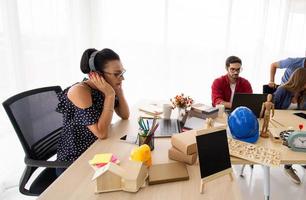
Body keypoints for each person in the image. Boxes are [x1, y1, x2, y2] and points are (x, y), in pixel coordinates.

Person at [56, 48, 130, 176]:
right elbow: (101, 133)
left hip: (97, 150)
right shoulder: (80, 91)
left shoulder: (105, 89)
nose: (122, 78)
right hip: (75, 160)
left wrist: (118, 90)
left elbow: (124, 115)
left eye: (122, 73)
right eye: (117, 74)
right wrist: (110, 95)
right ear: (97, 75)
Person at [273, 68, 306, 184]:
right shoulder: (282, 90)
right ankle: (288, 167)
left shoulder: (303, 94)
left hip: (295, 125)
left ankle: (299, 160)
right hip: (278, 125)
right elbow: (272, 108)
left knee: (301, 135)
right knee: (295, 138)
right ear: (299, 81)